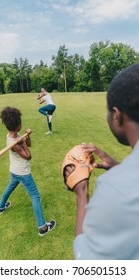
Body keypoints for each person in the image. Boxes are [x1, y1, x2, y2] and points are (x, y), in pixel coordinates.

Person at [69, 63, 139, 259]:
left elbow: (88, 262)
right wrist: (120, 166)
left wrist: (82, 194)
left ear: (116, 116)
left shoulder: (115, 188)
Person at [0, 106, 56, 236]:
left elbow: (28, 144)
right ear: (18, 125)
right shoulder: (13, 143)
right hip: (22, 172)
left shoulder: (12, 134)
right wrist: (21, 143)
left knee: (10, 187)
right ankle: (43, 227)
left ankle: (1, 207)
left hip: (14, 170)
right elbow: (28, 156)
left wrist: (26, 137)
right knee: (35, 195)